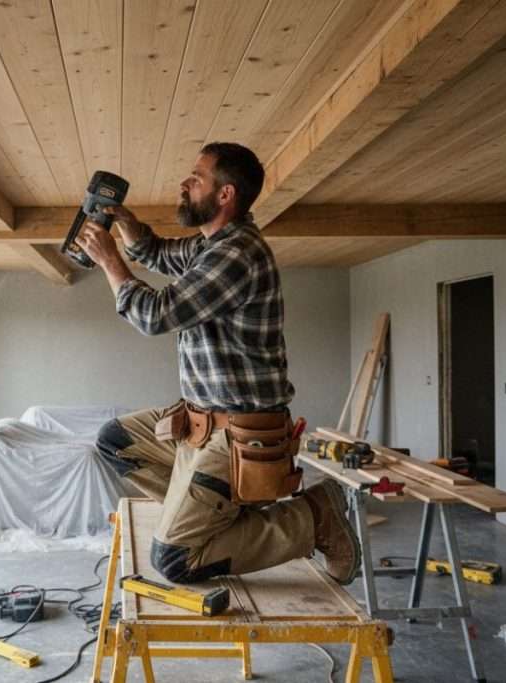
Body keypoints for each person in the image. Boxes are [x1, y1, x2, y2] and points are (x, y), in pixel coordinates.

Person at [74, 142, 360, 585]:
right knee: (116, 441)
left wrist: (111, 261)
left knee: (174, 562)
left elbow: (156, 314)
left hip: (240, 435)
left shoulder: (237, 253)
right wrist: (126, 226)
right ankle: (206, 511)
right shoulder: (214, 245)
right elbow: (160, 254)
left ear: (224, 195)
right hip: (201, 424)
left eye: (196, 177)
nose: (185, 184)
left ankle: (313, 517)